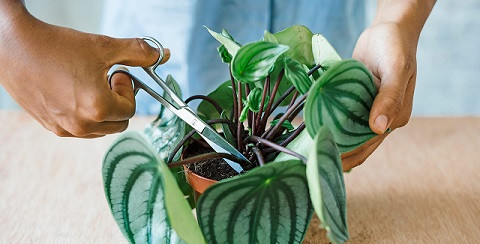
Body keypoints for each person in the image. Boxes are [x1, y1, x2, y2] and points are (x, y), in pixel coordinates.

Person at [0, 0, 436, 170]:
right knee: (164, 151)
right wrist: (8, 33)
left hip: (322, 34)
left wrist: (398, 19)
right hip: (151, 48)